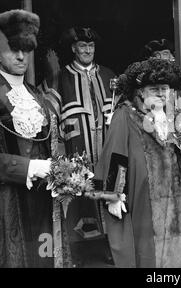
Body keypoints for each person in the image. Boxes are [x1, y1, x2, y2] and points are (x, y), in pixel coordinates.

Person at [93, 58, 181, 267]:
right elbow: (115, 155)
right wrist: (113, 195)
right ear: (141, 92)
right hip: (144, 201)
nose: (162, 94)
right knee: (149, 254)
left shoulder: (176, 117)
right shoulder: (125, 115)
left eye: (165, 89)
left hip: (180, 199)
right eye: (155, 89)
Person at [41, 27, 115, 266]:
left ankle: (111, 246)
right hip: (76, 149)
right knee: (80, 199)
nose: (87, 50)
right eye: (82, 46)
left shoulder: (108, 74)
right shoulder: (61, 76)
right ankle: (82, 253)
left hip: (106, 147)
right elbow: (47, 115)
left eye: (91, 47)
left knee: (110, 192)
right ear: (73, 48)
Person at [0, 9, 53, 267]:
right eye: (13, 49)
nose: (21, 56)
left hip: (40, 204)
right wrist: (28, 167)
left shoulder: (37, 96)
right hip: (7, 203)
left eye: (26, 49)